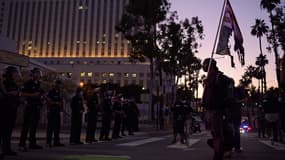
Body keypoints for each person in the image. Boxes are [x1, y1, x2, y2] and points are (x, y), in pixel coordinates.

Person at [202, 58, 234, 160]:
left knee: (217, 134)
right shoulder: (210, 77)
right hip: (210, 110)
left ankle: (218, 155)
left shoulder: (218, 77)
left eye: (204, 64)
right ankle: (220, 152)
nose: (203, 66)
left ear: (209, 65)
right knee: (214, 133)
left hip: (216, 109)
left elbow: (229, 82)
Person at [19, 68, 44, 151]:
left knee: (34, 126)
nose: (39, 75)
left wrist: (42, 98)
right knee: (26, 126)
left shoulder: (39, 84)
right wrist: (32, 95)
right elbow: (22, 93)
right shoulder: (28, 83)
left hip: (37, 107)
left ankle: (32, 143)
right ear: (33, 74)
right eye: (37, 73)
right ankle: (22, 144)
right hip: (29, 106)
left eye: (39, 73)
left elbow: (41, 94)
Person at [0, 66, 21, 156]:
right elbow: (3, 95)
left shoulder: (14, 84)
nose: (16, 75)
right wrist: (9, 94)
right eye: (14, 73)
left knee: (8, 131)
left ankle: (7, 149)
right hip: (4, 110)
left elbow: (17, 96)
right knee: (3, 131)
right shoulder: (4, 83)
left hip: (12, 109)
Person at [46, 79, 64, 147]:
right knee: (50, 127)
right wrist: (56, 103)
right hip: (52, 111)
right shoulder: (51, 92)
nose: (59, 85)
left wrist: (61, 106)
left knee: (57, 127)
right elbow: (48, 101)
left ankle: (56, 141)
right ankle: (48, 142)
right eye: (58, 84)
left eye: (60, 84)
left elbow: (61, 101)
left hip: (57, 111)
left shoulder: (59, 92)